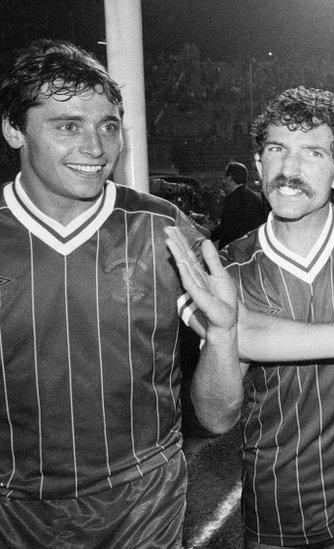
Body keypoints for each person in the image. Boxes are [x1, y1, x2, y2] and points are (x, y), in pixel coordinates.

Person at [0, 39, 238, 547]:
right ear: (13, 129)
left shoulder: (161, 226)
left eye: (108, 126)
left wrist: (222, 336)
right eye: (68, 126)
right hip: (16, 510)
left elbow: (219, 417)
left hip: (143, 499)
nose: (96, 147)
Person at [179, 86, 334, 548]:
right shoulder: (227, 269)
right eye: (276, 149)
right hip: (275, 510)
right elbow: (216, 416)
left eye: (312, 152)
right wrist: (225, 333)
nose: (289, 169)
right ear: (259, 161)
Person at [213, 160, 268, 248]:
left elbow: (226, 229)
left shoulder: (232, 199)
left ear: (230, 177)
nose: (224, 180)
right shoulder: (255, 196)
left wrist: (209, 236)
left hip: (236, 249)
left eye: (225, 177)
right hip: (253, 246)